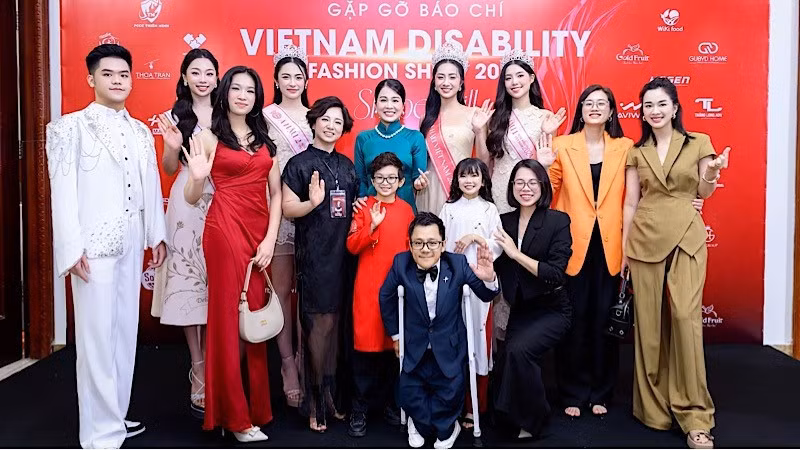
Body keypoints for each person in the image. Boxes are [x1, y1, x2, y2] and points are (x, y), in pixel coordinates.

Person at [45, 43, 167, 449]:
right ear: (91, 78)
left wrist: (156, 235)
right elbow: (62, 191)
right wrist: (70, 247)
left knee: (123, 332)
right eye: (108, 74)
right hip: (91, 247)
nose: (117, 81)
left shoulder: (138, 130)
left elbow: (150, 185)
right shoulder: (69, 127)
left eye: (123, 75)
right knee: (96, 337)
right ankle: (99, 433)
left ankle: (114, 415)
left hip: (132, 241)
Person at [622, 77, 730, 449]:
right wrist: (624, 249)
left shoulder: (698, 142)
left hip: (686, 234)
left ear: (675, 107)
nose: (654, 111)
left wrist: (713, 173)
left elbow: (703, 189)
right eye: (648, 105)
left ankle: (695, 416)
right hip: (645, 239)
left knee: (685, 320)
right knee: (649, 328)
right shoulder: (637, 151)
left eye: (661, 104)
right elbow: (631, 203)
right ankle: (654, 409)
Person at [183, 66, 282, 442]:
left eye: (250, 90)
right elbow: (193, 198)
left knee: (254, 321)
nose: (243, 95)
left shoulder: (264, 139)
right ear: (224, 93)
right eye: (236, 88)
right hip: (223, 230)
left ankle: (255, 408)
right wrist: (195, 176)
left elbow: (275, 195)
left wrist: (271, 238)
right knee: (226, 321)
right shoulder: (207, 137)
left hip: (259, 232)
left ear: (257, 97)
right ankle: (233, 417)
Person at [379, 213, 500, 449]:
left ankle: (447, 426)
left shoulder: (458, 264)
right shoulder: (400, 263)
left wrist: (489, 278)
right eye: (418, 243)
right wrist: (396, 335)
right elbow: (386, 296)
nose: (425, 249)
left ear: (443, 244)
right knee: (410, 391)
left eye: (432, 243)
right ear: (410, 244)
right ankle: (419, 422)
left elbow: (486, 294)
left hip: (449, 346)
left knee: (449, 394)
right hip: (416, 345)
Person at [282, 96, 359, 432]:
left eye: (337, 122)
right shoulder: (298, 164)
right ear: (313, 122)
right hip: (314, 256)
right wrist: (311, 203)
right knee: (318, 326)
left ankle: (329, 394)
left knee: (338, 326)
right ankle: (313, 401)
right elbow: (287, 209)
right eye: (325, 120)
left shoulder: (347, 166)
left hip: (345, 255)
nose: (331, 126)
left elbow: (350, 206)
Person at [151, 48, 219, 418]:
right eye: (196, 72)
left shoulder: (229, 113)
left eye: (209, 72)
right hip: (186, 203)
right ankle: (198, 366)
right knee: (190, 285)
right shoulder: (176, 116)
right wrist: (173, 147)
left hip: (222, 199)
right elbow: (167, 168)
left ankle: (216, 362)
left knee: (217, 283)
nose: (203, 78)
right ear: (184, 77)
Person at [492, 159, 572, 440]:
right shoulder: (503, 222)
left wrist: (516, 254)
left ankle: (535, 420)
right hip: (520, 309)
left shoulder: (557, 221)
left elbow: (555, 273)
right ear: (512, 187)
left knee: (520, 351)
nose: (525, 189)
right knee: (507, 357)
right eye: (519, 183)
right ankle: (512, 417)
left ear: (543, 186)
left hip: (552, 309)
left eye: (532, 183)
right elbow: (495, 265)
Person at [345, 152, 415, 437]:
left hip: (399, 289)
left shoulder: (408, 210)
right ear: (371, 181)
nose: (385, 183)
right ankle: (359, 410)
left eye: (391, 178)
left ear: (400, 181)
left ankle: (390, 404)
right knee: (365, 351)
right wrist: (371, 225)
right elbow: (351, 245)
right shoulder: (364, 207)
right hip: (368, 289)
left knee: (393, 351)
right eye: (379, 178)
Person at [262, 43, 314, 409]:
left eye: (299, 76)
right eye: (286, 76)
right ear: (276, 81)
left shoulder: (318, 116)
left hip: (312, 213)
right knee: (280, 291)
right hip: (275, 210)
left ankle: (305, 359)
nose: (292, 82)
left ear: (307, 79)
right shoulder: (264, 116)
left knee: (308, 294)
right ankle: (287, 366)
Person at [438, 158, 502, 428]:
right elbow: (440, 242)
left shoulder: (489, 209)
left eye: (474, 176)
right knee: (453, 341)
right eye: (464, 176)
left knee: (479, 342)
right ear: (457, 180)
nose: (469, 181)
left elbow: (498, 243)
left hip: (479, 284)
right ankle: (452, 402)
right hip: (451, 284)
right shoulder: (448, 208)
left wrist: (476, 239)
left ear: (484, 180)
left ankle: (476, 405)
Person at [485, 49, 567, 214]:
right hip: (501, 189)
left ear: (531, 78)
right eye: (508, 78)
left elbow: (548, 163)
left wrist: (548, 133)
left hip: (531, 189)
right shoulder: (495, 118)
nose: (514, 82)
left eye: (520, 75)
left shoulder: (546, 117)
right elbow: (489, 162)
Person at [415, 40, 492, 215]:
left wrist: (480, 131)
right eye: (440, 77)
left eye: (452, 77)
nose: (446, 82)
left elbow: (483, 162)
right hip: (430, 190)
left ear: (461, 82)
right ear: (434, 82)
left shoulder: (475, 114)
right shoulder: (425, 119)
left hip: (463, 188)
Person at [354, 79, 427, 211]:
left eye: (395, 100)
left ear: (403, 106)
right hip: (371, 210)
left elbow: (418, 177)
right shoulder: (363, 138)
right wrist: (361, 198)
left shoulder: (415, 137)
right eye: (383, 100)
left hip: (405, 210)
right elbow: (360, 179)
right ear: (375, 105)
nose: (389, 106)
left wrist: (419, 183)